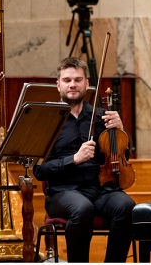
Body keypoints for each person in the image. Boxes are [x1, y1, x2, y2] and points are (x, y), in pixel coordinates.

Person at [33, 57, 136, 263]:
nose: (72, 84)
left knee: (126, 206)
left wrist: (120, 129)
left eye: (78, 80)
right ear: (58, 85)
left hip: (100, 190)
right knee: (82, 208)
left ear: (87, 84)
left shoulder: (102, 117)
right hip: (63, 193)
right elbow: (39, 171)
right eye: (67, 80)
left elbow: (123, 156)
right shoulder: (47, 119)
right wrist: (74, 159)